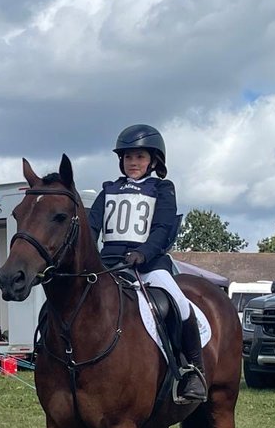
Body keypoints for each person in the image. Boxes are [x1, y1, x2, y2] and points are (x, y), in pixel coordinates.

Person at [88, 124, 206, 402]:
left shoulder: (162, 189)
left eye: (139, 157)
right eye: (128, 157)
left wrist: (144, 253)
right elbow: (92, 228)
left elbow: (163, 227)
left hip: (149, 265)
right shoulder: (109, 190)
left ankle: (193, 370)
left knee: (179, 303)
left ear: (153, 160)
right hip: (109, 264)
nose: (133, 163)